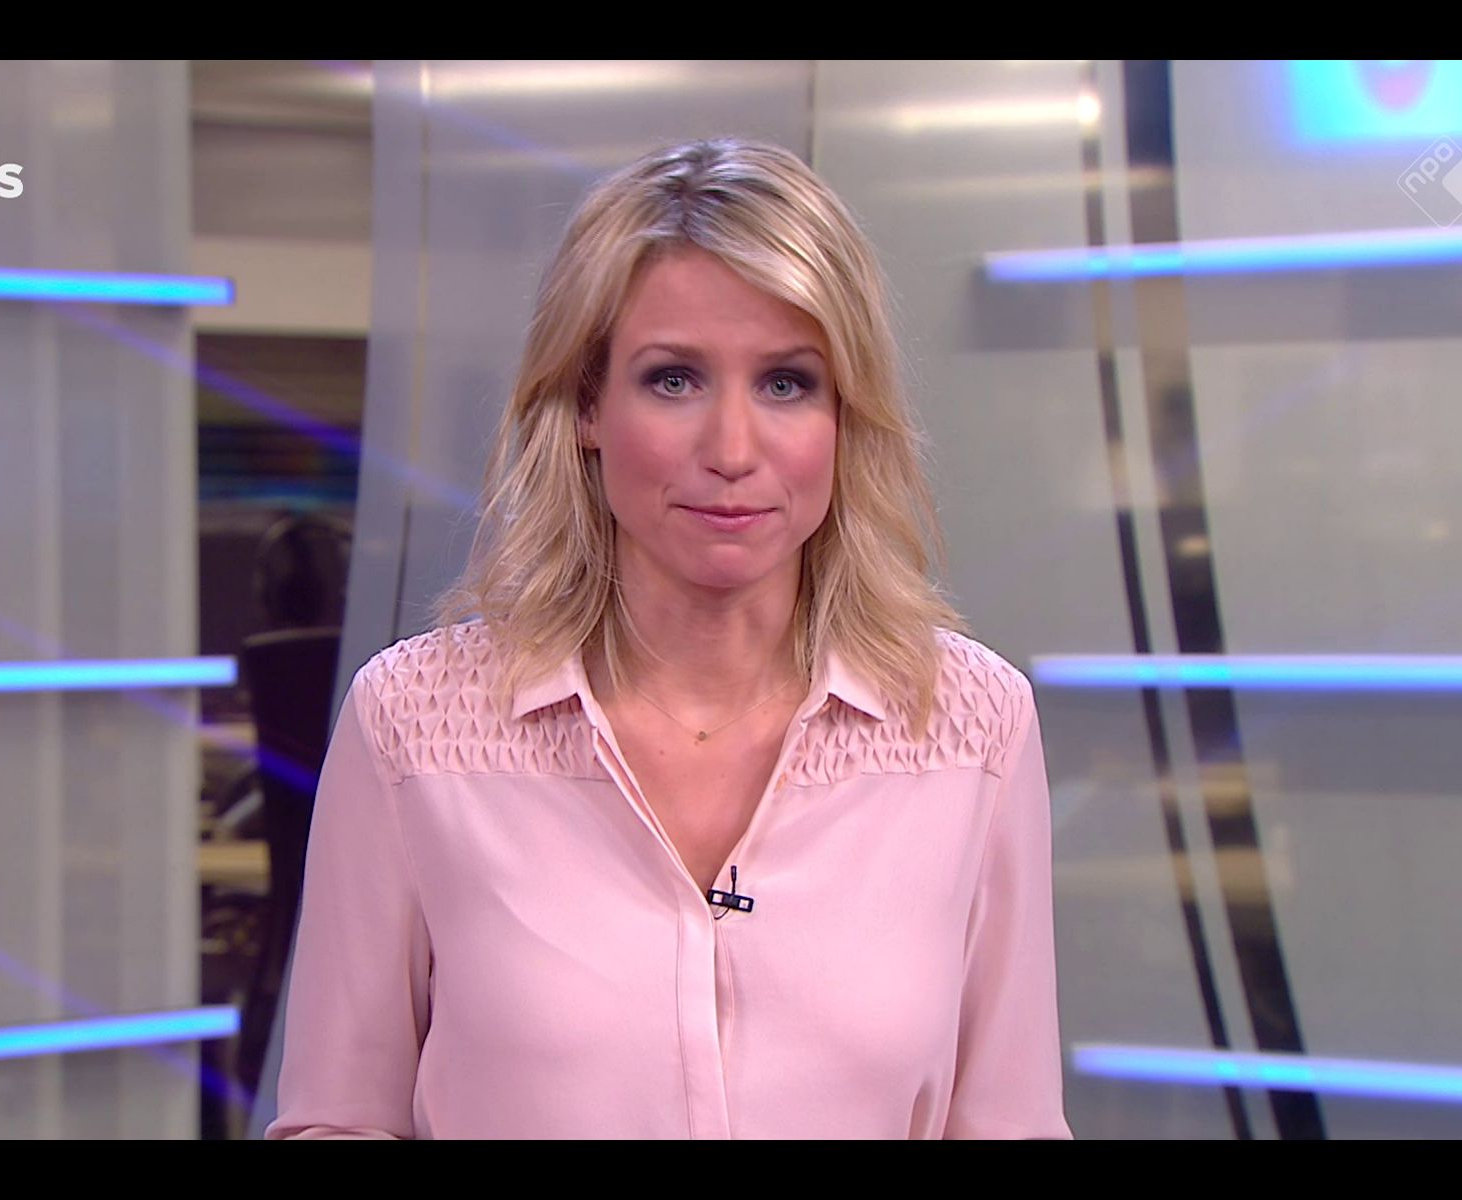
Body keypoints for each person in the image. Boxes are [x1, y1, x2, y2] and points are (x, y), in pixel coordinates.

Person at [265, 137, 1071, 1139]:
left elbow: (1010, 1123)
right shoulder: (413, 726)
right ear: (587, 404)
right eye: (675, 380)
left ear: (845, 416)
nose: (732, 450)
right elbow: (338, 1119)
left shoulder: (973, 725)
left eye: (787, 384)